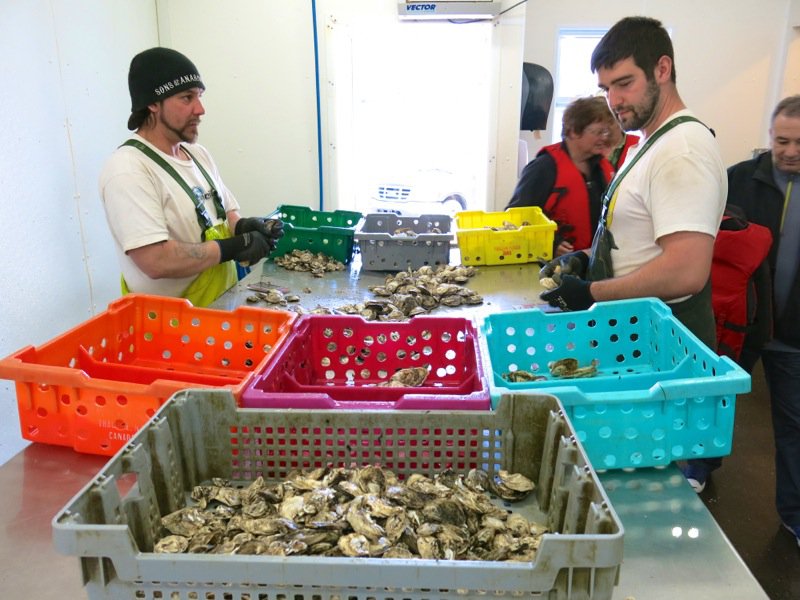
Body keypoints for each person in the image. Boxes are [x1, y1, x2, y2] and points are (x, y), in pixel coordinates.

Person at [537, 16, 727, 487]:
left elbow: (686, 271)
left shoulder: (682, 149)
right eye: (605, 88)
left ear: (662, 69)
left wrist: (593, 291)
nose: (614, 100)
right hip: (638, 346)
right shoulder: (649, 143)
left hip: (667, 354)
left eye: (624, 84)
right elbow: (639, 238)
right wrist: (585, 256)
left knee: (657, 494)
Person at [99, 47, 283, 308]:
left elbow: (225, 214)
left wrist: (244, 228)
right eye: (187, 98)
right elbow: (156, 260)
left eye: (199, 96)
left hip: (221, 309)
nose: (200, 109)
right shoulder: (128, 169)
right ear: (152, 103)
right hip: (173, 330)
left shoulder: (198, 154)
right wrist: (232, 247)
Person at [725, 95, 800, 548]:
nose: (790, 151)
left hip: (794, 337)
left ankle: (794, 514)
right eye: (782, 140)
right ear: (769, 137)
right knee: (716, 404)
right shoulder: (738, 180)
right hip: (742, 326)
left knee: (794, 426)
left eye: (799, 142)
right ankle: (699, 469)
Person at [507, 96, 615, 256]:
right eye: (598, 132)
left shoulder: (602, 168)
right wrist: (551, 242)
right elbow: (514, 218)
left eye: (605, 132)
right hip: (553, 268)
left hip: (595, 263)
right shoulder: (543, 168)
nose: (603, 138)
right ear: (573, 131)